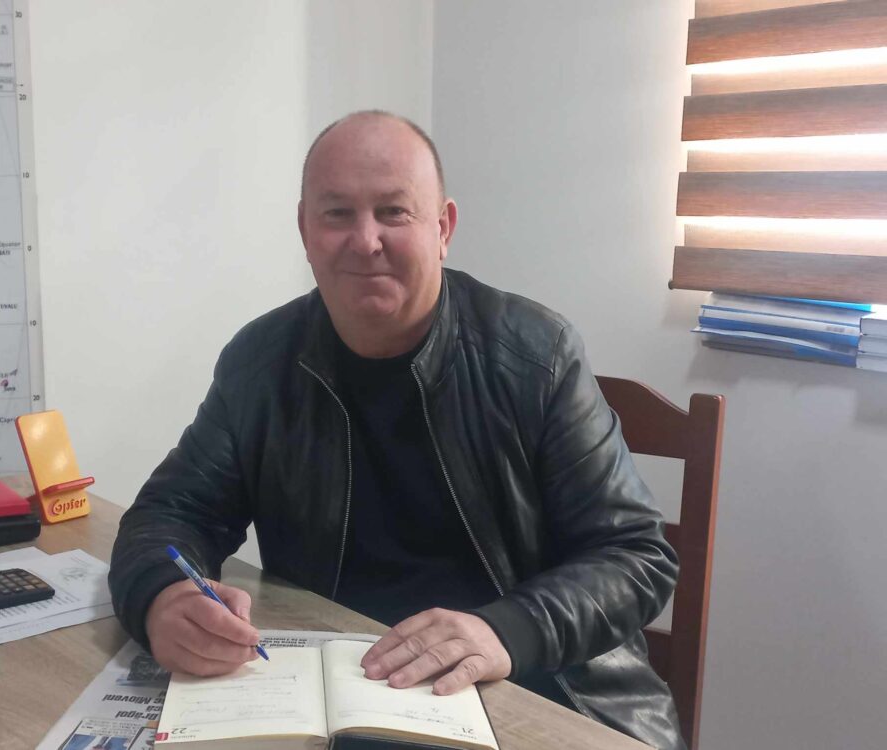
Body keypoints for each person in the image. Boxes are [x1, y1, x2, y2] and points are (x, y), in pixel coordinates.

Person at [109, 110, 684, 750]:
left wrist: (505, 630)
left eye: (393, 212)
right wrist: (162, 597)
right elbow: (171, 512)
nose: (365, 240)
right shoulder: (259, 363)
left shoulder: (537, 355)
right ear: (305, 230)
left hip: (534, 692)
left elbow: (636, 556)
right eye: (337, 214)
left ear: (443, 229)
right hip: (337, 695)